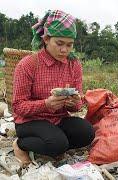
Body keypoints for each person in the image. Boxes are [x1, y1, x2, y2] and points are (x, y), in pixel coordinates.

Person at [12, 10, 95, 165]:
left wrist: (74, 102)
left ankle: (54, 142)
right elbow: (17, 106)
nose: (64, 50)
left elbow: (78, 105)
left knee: (87, 133)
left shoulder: (74, 65)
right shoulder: (28, 64)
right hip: (29, 121)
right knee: (58, 145)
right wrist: (45, 104)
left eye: (69, 45)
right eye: (59, 43)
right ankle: (20, 144)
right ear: (46, 39)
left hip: (58, 119)